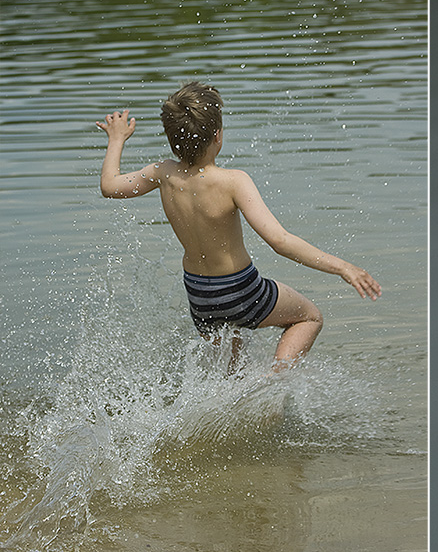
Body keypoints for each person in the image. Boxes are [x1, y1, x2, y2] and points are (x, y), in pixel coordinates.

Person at [97, 81, 381, 376]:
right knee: (308, 318)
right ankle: (274, 387)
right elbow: (280, 240)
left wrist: (117, 139)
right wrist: (343, 267)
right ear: (217, 136)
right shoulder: (233, 181)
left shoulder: (163, 173)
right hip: (241, 289)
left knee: (233, 375)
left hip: (199, 296)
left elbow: (109, 187)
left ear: (172, 139)